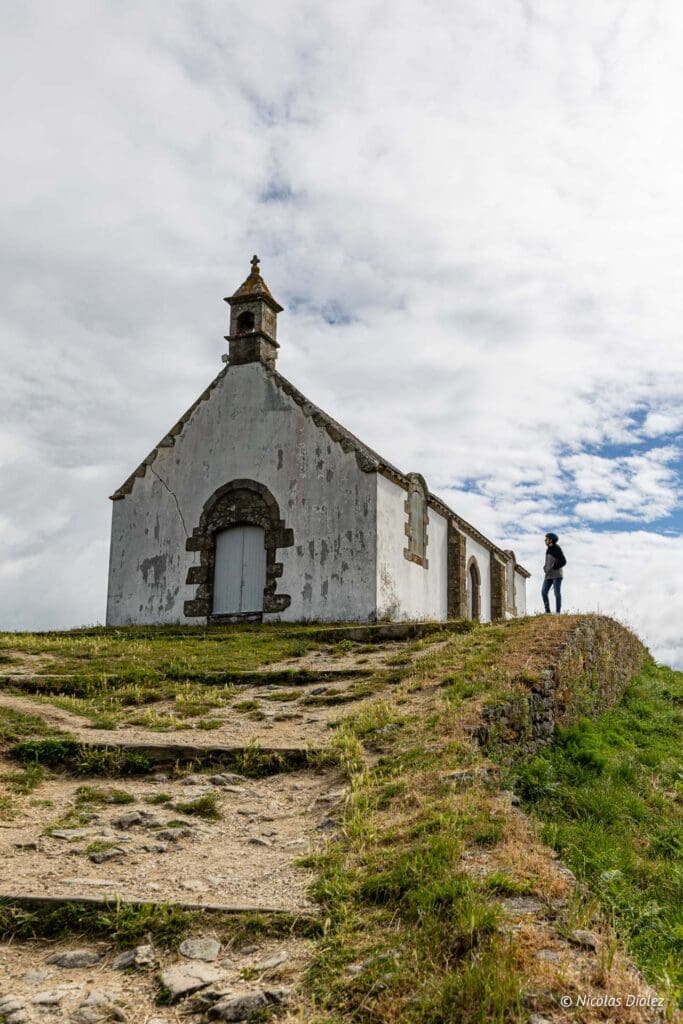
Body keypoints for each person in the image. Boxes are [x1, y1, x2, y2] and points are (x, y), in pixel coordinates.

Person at [542, 532, 566, 613]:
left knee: (556, 593)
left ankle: (558, 612)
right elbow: (548, 561)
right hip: (548, 575)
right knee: (543, 592)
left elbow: (564, 561)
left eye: (547, 539)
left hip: (557, 575)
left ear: (551, 540)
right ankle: (547, 611)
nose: (545, 540)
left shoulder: (557, 549)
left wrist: (555, 566)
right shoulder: (548, 549)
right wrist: (545, 567)